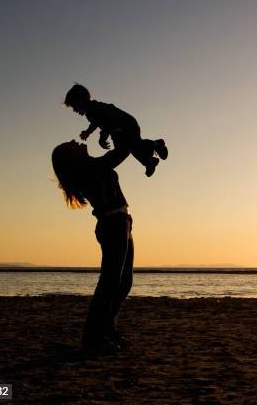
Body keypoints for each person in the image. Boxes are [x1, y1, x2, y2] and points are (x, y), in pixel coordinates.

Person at [52, 140, 134, 352]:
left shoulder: (93, 165)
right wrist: (120, 133)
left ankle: (106, 329)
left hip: (120, 223)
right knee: (110, 283)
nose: (75, 141)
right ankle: (94, 338)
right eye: (71, 145)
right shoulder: (91, 168)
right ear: (73, 157)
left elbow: (118, 153)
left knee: (123, 282)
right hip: (113, 225)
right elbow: (123, 150)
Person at [64, 83, 168, 177]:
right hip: (121, 129)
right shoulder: (91, 112)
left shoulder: (93, 109)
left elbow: (105, 121)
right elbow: (96, 123)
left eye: (74, 106)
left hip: (125, 126)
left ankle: (155, 146)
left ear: (81, 100)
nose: (74, 110)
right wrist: (88, 132)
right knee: (131, 148)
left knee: (129, 147)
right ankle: (150, 159)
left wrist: (102, 138)